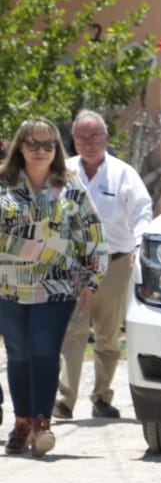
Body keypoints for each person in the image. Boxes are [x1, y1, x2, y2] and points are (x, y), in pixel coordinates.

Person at [0, 117, 105, 457]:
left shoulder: (70, 185)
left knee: (44, 352)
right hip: (8, 287)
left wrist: (91, 280)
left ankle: (42, 424)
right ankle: (22, 421)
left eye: (48, 144)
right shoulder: (3, 183)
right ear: (20, 147)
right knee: (18, 355)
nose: (41, 150)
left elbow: (91, 233)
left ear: (57, 149)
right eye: (33, 143)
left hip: (57, 285)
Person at [55, 110, 153, 420]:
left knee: (108, 334)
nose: (89, 143)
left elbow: (142, 211)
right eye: (82, 137)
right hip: (74, 264)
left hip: (115, 262)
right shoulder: (64, 172)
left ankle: (101, 397)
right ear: (73, 140)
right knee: (72, 331)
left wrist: (139, 243)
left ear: (106, 139)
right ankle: (65, 400)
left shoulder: (124, 174)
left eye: (95, 136)